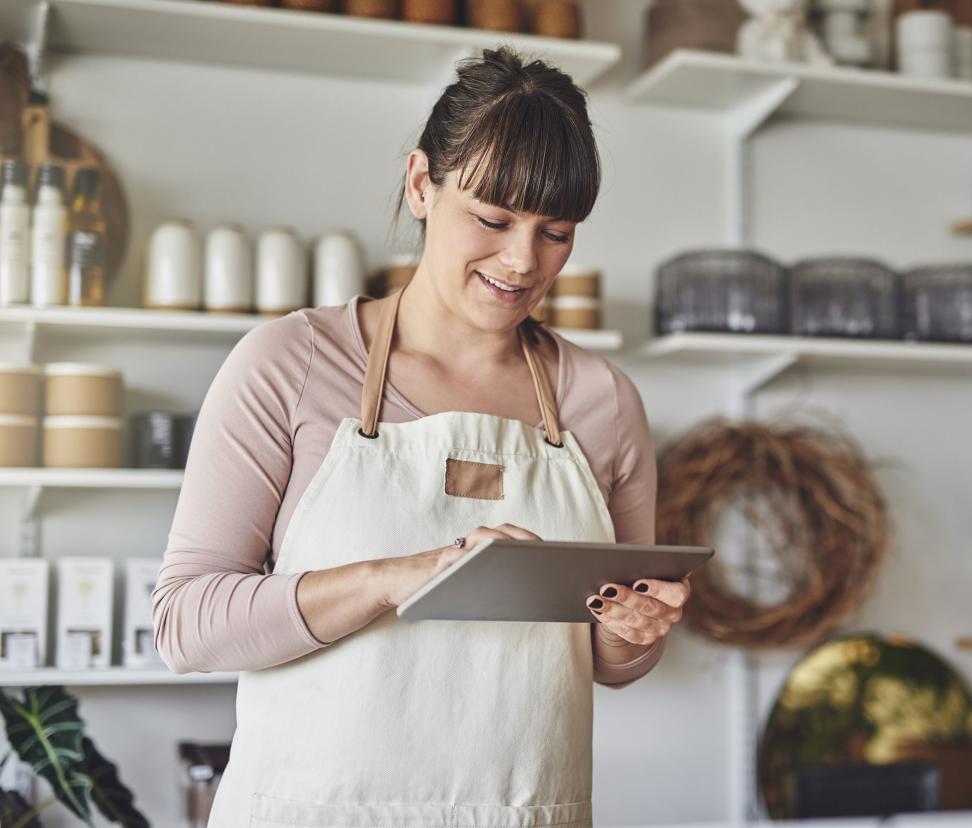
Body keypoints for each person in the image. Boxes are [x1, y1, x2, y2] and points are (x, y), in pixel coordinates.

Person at [153, 47, 689, 827]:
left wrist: (634, 635)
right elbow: (185, 624)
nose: (522, 261)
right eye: (493, 219)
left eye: (557, 232)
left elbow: (612, 663)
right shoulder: (294, 364)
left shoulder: (601, 402)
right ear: (419, 185)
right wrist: (389, 579)